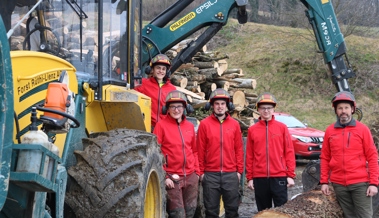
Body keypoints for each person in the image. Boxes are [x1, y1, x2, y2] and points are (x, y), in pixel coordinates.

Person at [320, 91, 379, 218]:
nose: (343, 111)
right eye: (340, 108)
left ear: (352, 109)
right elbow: (325, 157)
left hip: (360, 183)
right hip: (339, 184)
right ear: (336, 110)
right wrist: (324, 181)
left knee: (365, 216)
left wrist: (374, 183)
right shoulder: (330, 131)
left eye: (346, 107)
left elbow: (372, 157)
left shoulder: (362, 129)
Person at [245, 92, 296, 212]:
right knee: (263, 212)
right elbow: (249, 156)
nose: (266, 111)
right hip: (259, 178)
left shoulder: (282, 128)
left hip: (279, 177)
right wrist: (250, 178)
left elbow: (289, 152)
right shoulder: (252, 130)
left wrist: (290, 175)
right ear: (258, 109)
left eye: (269, 108)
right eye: (263, 108)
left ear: (274, 109)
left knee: (282, 211)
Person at [197, 88, 243, 218]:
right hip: (211, 175)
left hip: (230, 174)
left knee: (232, 210)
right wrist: (201, 173)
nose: (220, 107)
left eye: (223, 104)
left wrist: (239, 171)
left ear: (227, 106)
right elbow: (199, 149)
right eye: (217, 104)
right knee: (211, 212)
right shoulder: (204, 124)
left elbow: (239, 149)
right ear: (212, 105)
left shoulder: (235, 125)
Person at [153, 90, 199, 218]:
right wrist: (165, 175)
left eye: (179, 106)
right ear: (166, 109)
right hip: (172, 178)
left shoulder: (190, 126)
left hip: (190, 177)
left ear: (185, 108)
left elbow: (194, 151)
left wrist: (197, 173)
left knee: (190, 213)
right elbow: (156, 153)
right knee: (177, 214)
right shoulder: (161, 126)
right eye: (172, 106)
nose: (176, 110)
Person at [135, 54, 176, 131]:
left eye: (163, 69)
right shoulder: (143, 84)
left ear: (167, 72)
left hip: (164, 128)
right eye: (158, 68)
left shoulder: (172, 89)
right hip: (147, 127)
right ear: (152, 69)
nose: (161, 71)